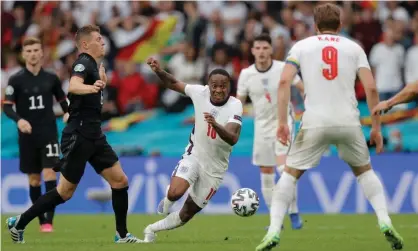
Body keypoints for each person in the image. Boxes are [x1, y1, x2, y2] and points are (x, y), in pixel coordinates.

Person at [256, 3, 404, 251]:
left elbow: (283, 82)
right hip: (348, 121)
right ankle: (384, 220)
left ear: (315, 25)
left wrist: (282, 122)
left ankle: (272, 232)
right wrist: (376, 127)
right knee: (365, 172)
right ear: (340, 25)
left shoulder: (302, 46)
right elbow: (372, 88)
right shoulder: (354, 47)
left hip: (315, 122)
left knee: (290, 175)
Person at [6, 25, 142, 244]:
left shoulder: (95, 66)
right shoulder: (83, 61)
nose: (103, 42)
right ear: (86, 44)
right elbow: (74, 85)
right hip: (79, 135)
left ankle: (122, 234)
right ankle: (19, 222)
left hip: (94, 134)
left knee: (120, 181)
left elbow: (79, 96)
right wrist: (93, 88)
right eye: (99, 39)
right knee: (64, 193)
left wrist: (98, 86)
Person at [143, 57, 243, 243]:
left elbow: (232, 138)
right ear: (208, 85)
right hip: (195, 155)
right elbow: (173, 83)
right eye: (215, 86)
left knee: (187, 213)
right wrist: (158, 71)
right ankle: (168, 198)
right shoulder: (199, 92)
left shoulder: (235, 105)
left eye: (223, 86)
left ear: (229, 86)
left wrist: (215, 125)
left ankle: (151, 229)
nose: (219, 90)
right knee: (174, 193)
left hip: (215, 168)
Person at [236, 33, 304, 230]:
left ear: (271, 50)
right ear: (252, 51)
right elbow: (239, 101)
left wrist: (309, 100)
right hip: (262, 127)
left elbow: (301, 86)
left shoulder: (283, 68)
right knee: (266, 174)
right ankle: (277, 220)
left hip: (284, 123)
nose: (261, 52)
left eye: (265, 48)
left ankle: (294, 211)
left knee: (284, 170)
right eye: (257, 48)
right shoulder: (246, 74)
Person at [3, 37, 68, 233]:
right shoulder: (16, 80)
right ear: (24, 55)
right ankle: (41, 219)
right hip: (27, 136)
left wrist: (67, 113)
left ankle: (48, 220)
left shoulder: (51, 78)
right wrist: (19, 120)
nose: (32, 54)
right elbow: (7, 107)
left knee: (49, 173)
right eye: (28, 51)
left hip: (48, 133)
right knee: (34, 180)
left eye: (35, 50)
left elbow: (63, 101)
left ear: (41, 53)